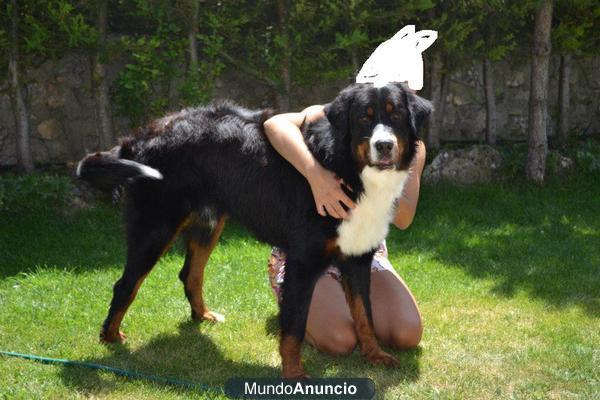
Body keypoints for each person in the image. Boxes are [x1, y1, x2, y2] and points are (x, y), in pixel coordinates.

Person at [263, 104, 427, 356]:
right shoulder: (335, 113)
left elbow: (403, 218)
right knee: (340, 341)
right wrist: (315, 174)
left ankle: (334, 300)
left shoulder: (411, 147)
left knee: (406, 334)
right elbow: (274, 125)